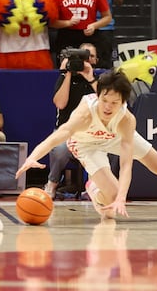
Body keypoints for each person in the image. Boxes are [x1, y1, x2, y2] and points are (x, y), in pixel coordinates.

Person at [15, 70, 157, 220]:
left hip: (115, 136)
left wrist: (123, 197)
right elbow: (58, 136)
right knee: (110, 206)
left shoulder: (126, 120)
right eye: (105, 100)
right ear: (98, 95)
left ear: (123, 102)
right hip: (86, 143)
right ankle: (96, 190)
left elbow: (126, 164)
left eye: (114, 103)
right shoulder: (85, 114)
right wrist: (33, 157)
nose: (107, 107)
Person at [42, 42, 98, 198]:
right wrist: (67, 73)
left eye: (89, 57)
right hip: (66, 133)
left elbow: (106, 102)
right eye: (80, 58)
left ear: (95, 60)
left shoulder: (98, 80)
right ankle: (52, 183)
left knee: (100, 150)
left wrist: (91, 78)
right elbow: (60, 103)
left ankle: (93, 187)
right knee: (59, 150)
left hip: (91, 133)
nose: (84, 61)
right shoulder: (64, 78)